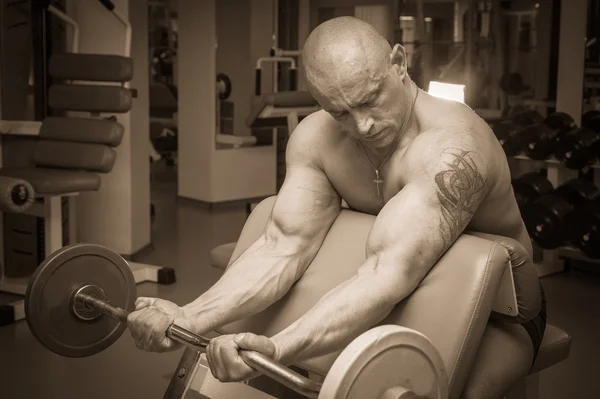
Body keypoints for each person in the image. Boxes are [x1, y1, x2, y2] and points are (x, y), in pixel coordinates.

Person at [127, 17, 546, 399]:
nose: (362, 126)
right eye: (340, 111)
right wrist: (186, 315)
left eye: (370, 100)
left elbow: (386, 273)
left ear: (399, 63)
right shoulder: (316, 139)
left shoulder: (453, 149)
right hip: (396, 293)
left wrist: (276, 348)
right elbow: (284, 247)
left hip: (500, 314)